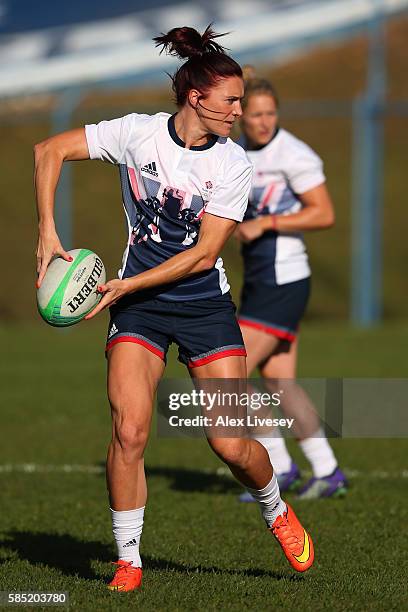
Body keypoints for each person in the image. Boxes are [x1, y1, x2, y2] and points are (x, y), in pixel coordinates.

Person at [34, 27, 314, 593]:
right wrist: (47, 231)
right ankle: (128, 558)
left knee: (230, 443)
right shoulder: (136, 134)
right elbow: (49, 150)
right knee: (130, 431)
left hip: (202, 305)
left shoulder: (234, 164)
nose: (238, 110)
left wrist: (122, 283)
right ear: (196, 98)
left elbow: (204, 253)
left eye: (240, 100)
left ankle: (275, 507)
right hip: (137, 309)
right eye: (230, 99)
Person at [235, 70, 348, 501]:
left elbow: (324, 213)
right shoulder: (239, 150)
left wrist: (268, 222)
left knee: (231, 374)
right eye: (255, 113)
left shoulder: (294, 154)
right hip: (260, 280)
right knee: (280, 382)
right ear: (241, 114)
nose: (264, 121)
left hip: (285, 280)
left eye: (271, 113)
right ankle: (327, 470)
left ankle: (278, 466)